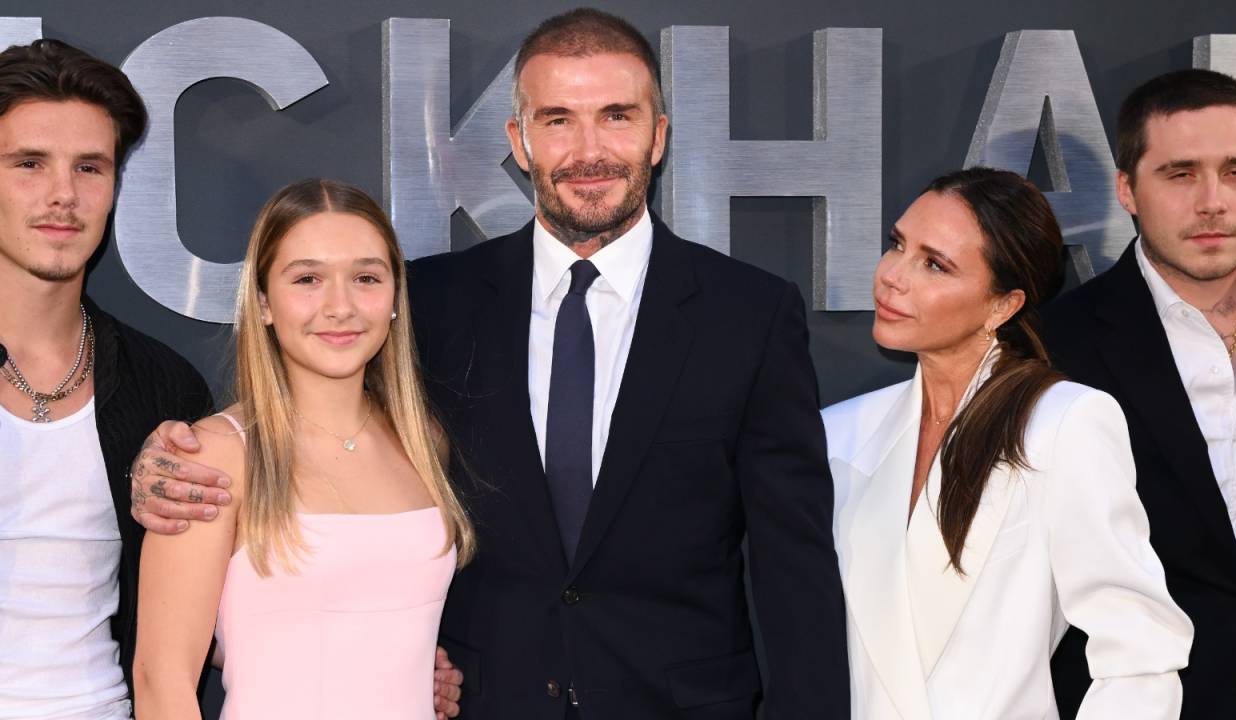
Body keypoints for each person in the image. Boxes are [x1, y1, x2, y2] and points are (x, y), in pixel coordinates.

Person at [129, 8, 850, 719]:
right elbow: (304, 435)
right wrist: (163, 466)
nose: (589, 149)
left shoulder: (748, 315)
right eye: (558, 119)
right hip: (487, 703)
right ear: (520, 138)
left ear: (658, 136)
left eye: (618, 116)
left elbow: (794, 566)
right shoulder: (431, 304)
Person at [823, 167, 1193, 718]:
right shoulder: (839, 431)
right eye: (897, 245)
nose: (893, 277)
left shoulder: (1064, 424)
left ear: (1003, 305)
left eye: (934, 264)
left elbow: (1139, 649)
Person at [131, 179, 474, 720]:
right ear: (263, 302)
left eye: (365, 277)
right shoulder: (214, 456)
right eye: (308, 279)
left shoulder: (424, 441)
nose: (339, 306)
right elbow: (162, 684)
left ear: (393, 299)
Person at [1046, 69, 1236, 719]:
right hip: (1145, 700)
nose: (1212, 201)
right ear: (1128, 188)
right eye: (1180, 174)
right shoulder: (1052, 347)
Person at [0, 39, 212, 719]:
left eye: (90, 167)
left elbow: (215, 616)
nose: (63, 194)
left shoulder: (164, 388)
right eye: (29, 164)